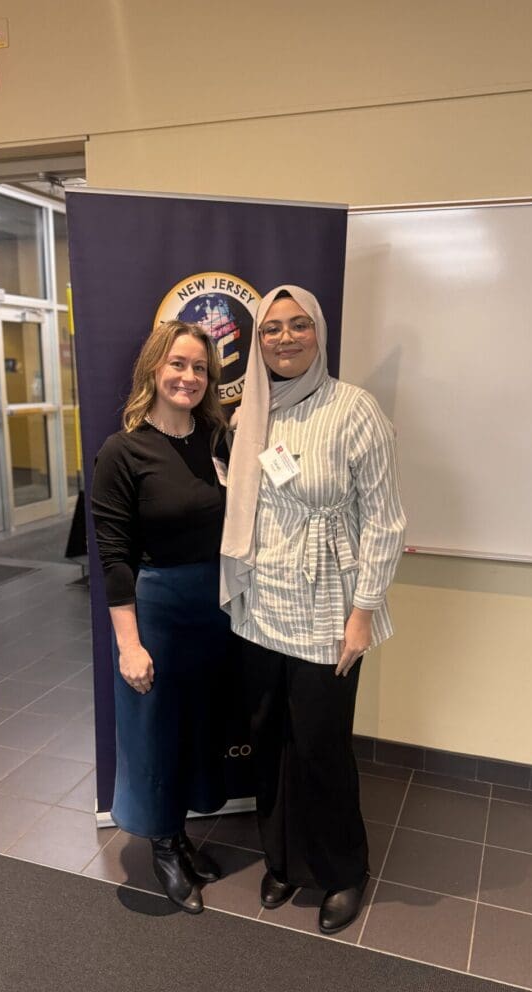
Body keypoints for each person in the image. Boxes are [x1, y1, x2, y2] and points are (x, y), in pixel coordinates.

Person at [221, 285, 405, 934]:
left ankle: (342, 870)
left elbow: (385, 521)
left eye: (299, 325)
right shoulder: (252, 414)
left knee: (321, 746)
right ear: (258, 341)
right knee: (270, 740)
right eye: (271, 329)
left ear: (318, 333)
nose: (285, 338)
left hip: (329, 605)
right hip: (260, 604)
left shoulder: (355, 408)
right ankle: (282, 860)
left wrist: (364, 612)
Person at [91, 320, 229, 914]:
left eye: (199, 368)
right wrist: (130, 644)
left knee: (195, 727)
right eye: (178, 364)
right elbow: (114, 556)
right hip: (155, 609)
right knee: (153, 732)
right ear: (154, 367)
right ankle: (165, 846)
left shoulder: (218, 440)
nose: (189, 377)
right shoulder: (122, 451)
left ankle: (183, 832)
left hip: (213, 608)